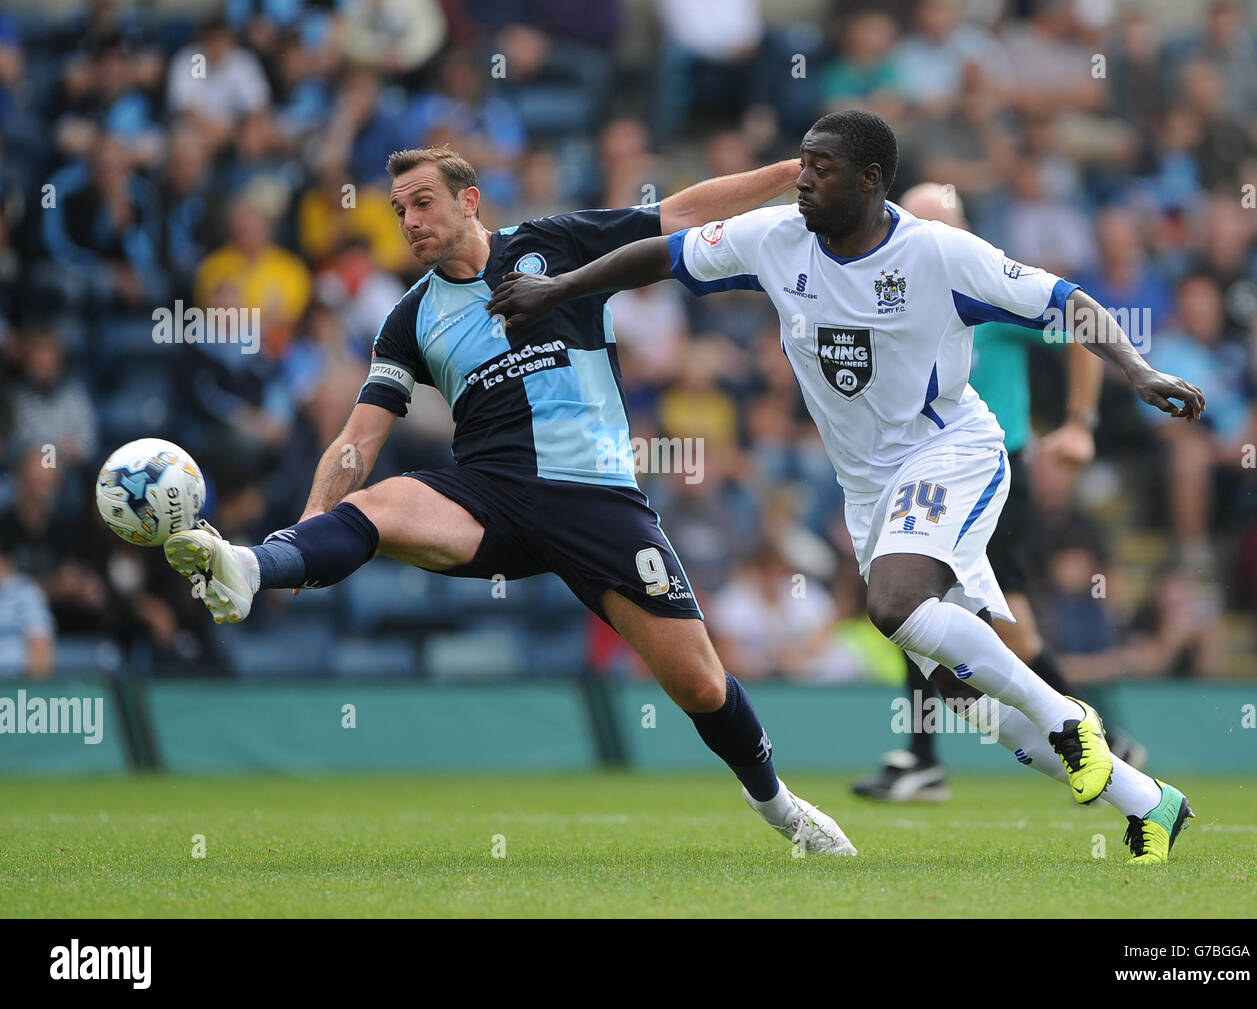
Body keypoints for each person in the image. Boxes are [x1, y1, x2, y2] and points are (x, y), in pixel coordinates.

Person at [486, 110, 1207, 865]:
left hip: (951, 454)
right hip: (869, 491)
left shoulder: (939, 253)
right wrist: (562, 287)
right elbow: (658, 257)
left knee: (895, 605)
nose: (801, 178)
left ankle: (1067, 718)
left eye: (820, 168)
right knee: (965, 698)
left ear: (868, 180)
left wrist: (1140, 370)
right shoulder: (775, 240)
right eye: (801, 163)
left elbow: (1068, 302)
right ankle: (1148, 801)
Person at [164, 145, 857, 856]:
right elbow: (357, 437)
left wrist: (787, 174)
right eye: (399, 210)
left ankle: (781, 808)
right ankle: (249, 568)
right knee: (380, 505)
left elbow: (680, 211)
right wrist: (306, 531)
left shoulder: (554, 243)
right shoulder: (408, 320)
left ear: (469, 201)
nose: (409, 220)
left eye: (423, 202)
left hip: (596, 496)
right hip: (488, 496)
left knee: (701, 685)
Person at [851, 183, 1146, 804]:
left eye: (934, 224)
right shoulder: (891, 291)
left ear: (961, 230)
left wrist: (1079, 423)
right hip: (921, 473)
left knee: (1001, 622)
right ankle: (927, 756)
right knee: (916, 603)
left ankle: (1103, 740)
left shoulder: (984, 285)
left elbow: (1077, 322)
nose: (915, 236)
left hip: (989, 475)